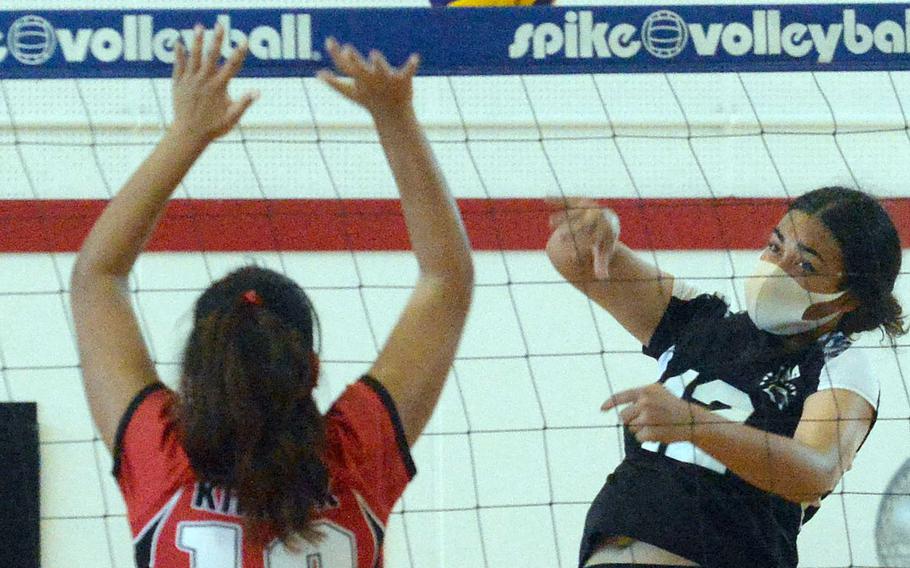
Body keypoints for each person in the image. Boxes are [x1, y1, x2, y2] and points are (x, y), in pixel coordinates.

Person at [70, 25, 473, 568]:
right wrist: (395, 117)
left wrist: (187, 132)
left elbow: (96, 277)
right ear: (308, 367)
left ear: (198, 367)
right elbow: (446, 279)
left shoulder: (161, 456)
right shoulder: (355, 454)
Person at [546, 188, 904, 568]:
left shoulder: (838, 362)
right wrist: (592, 232)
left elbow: (815, 472)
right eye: (775, 246)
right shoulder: (702, 322)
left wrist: (692, 423)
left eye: (805, 266)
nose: (777, 268)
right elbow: (576, 259)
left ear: (849, 300)